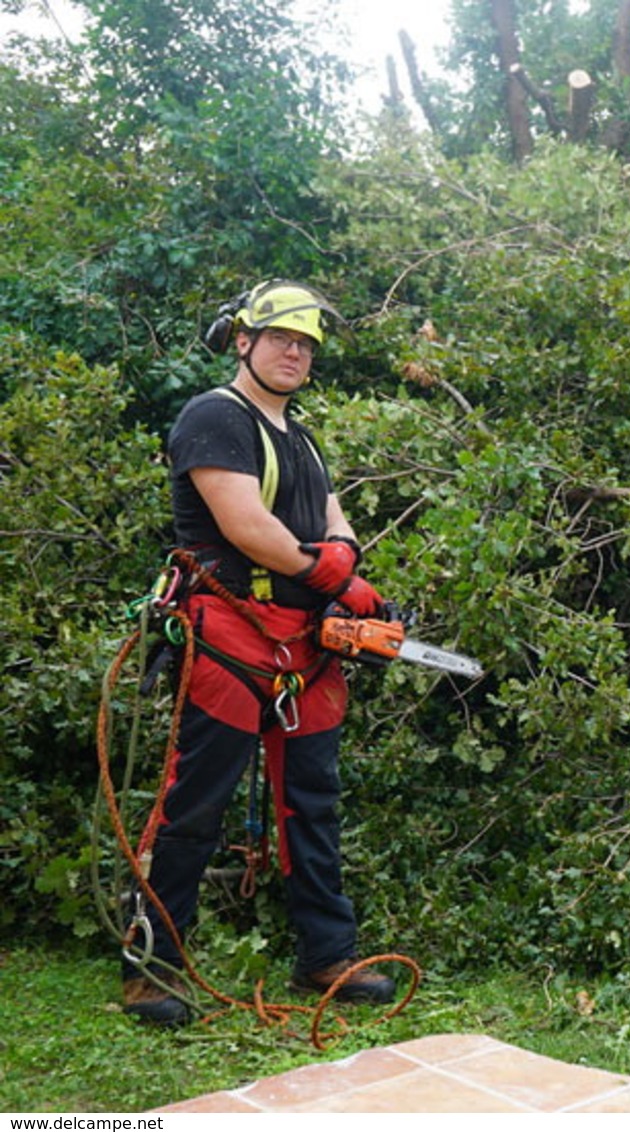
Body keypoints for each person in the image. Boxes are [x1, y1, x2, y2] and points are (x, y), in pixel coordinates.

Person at [122, 280, 396, 1025]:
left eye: (305, 344)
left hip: (306, 643)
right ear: (242, 339)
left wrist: (349, 585)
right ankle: (154, 964)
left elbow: (338, 528)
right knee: (194, 805)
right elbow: (246, 526)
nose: (294, 352)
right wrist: (332, 570)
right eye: (281, 338)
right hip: (231, 632)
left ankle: (327, 953)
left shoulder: (301, 438)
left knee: (314, 801)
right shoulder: (216, 417)